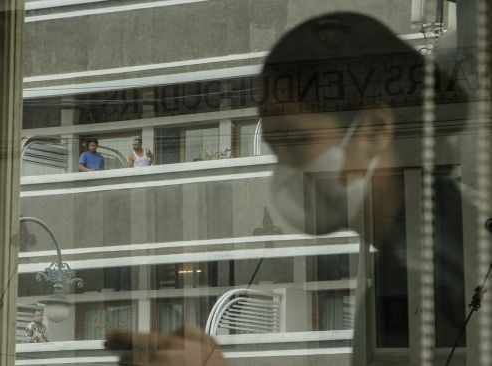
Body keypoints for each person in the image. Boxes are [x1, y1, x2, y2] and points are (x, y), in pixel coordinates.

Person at [105, 12, 473, 365]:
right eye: (276, 148)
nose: (289, 171)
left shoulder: (445, 266)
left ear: (375, 129)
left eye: (298, 140)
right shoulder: (407, 259)